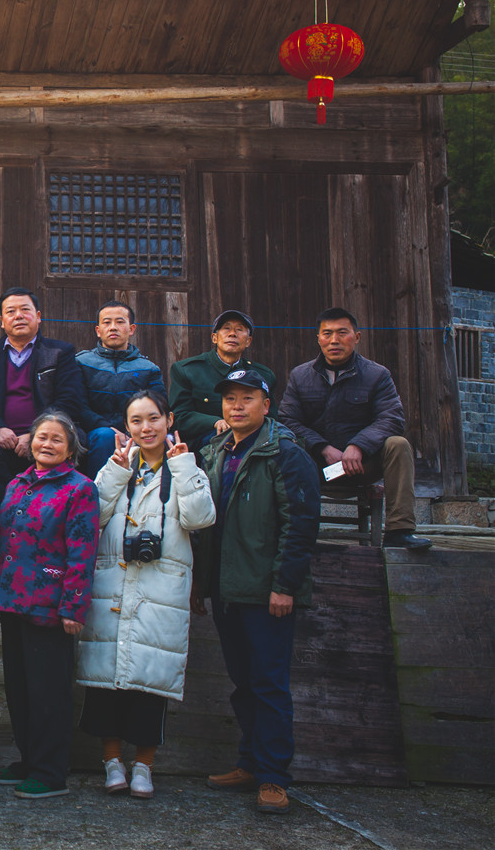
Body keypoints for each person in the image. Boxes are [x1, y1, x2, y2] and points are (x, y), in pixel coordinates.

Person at [77, 389, 216, 799]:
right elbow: (90, 515)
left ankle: (145, 766)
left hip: (160, 589)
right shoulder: (118, 465)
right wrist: (116, 472)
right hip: (113, 586)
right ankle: (111, 763)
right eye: (136, 421)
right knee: (105, 679)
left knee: (149, 681)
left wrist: (184, 464)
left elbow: (201, 518)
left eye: (153, 418)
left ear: (169, 420)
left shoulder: (186, 466)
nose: (145, 428)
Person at [193, 367, 320, 815]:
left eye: (248, 398)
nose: (237, 406)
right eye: (230, 399)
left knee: (269, 685)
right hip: (226, 590)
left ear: (266, 405)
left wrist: (285, 586)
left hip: (266, 592)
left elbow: (300, 525)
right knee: (242, 683)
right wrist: (200, 586)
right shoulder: (214, 451)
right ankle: (248, 763)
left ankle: (273, 777)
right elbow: (204, 525)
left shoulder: (285, 452)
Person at [0, 409, 100, 800]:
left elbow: (83, 552)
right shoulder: (17, 483)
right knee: (19, 689)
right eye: (41, 437)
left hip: (50, 605)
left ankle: (51, 771)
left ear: (71, 448)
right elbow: (3, 544)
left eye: (56, 438)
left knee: (48, 692)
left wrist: (73, 606)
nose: (46, 444)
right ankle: (29, 759)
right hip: (13, 600)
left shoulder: (79, 488)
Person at [279, 308, 431, 550]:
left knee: (398, 445)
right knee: (282, 445)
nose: (334, 340)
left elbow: (392, 417)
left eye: (342, 333)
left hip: (362, 466)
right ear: (318, 338)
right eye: (327, 334)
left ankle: (399, 531)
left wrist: (358, 445)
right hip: (315, 466)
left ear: (357, 337)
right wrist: (323, 447)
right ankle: (287, 532)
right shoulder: (300, 376)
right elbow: (287, 420)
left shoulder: (377, 375)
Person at [0, 287, 86, 501]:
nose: (18, 316)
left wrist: (35, 433)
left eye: (25, 309)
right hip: (2, 440)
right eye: (10, 311)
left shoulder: (60, 352)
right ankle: (10, 504)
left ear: (38, 316)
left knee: (75, 438)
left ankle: (56, 504)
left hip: (46, 435)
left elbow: (69, 400)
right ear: (1, 320)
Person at [75, 300, 167, 477]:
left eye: (120, 322)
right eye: (107, 322)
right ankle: (97, 496)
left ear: (131, 329)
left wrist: (132, 430)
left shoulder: (148, 368)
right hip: (94, 432)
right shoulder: (81, 362)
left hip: (136, 431)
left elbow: (159, 407)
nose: (113, 327)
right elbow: (78, 406)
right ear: (98, 330)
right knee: (105, 437)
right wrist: (108, 428)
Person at [169, 311, 277, 451]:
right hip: (204, 446)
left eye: (239, 329)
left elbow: (272, 419)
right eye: (226, 328)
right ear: (214, 338)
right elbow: (179, 417)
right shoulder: (187, 370)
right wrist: (215, 422)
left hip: (253, 443)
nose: (232, 334)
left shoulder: (263, 375)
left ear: (248, 341)